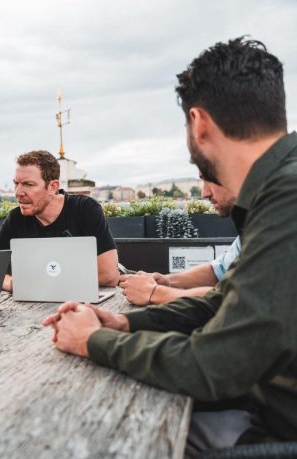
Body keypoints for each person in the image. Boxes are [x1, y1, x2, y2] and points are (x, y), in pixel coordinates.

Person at [43, 37, 297, 453]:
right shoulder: (280, 189)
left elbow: (215, 365)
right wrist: (125, 323)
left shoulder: (287, 198)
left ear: (199, 123)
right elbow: (223, 303)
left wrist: (93, 341)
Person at [0, 150, 119, 289]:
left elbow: (109, 276)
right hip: (36, 299)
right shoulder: (16, 218)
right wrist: (12, 283)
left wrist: (35, 283)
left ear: (53, 187)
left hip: (85, 298)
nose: (18, 193)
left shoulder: (85, 209)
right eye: (16, 183)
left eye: (29, 184)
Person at [120, 179, 240, 305]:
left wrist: (155, 293)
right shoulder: (247, 230)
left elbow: (237, 297)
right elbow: (219, 270)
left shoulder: (254, 229)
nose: (204, 193)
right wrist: (166, 281)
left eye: (212, 179)